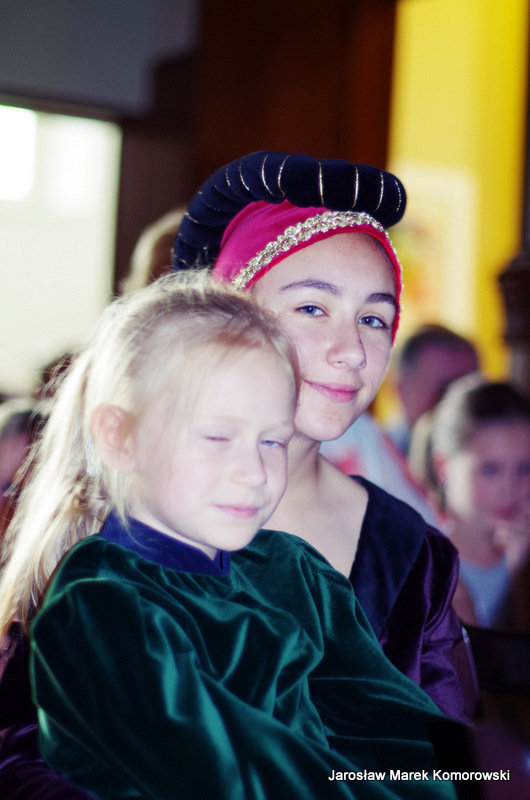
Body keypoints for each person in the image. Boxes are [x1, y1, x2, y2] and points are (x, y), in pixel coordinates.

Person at [0, 274, 456, 799]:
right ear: (120, 437)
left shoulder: (294, 571)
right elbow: (234, 779)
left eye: (273, 441)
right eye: (219, 437)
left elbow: (392, 725)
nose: (255, 472)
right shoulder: (98, 607)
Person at [173, 150, 470, 722]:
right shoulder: (116, 505)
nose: (353, 351)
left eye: (374, 319)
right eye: (312, 308)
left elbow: (443, 753)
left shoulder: (410, 556)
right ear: (226, 318)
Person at [426, 375, 530, 630]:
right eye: (491, 470)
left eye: (524, 469)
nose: (510, 489)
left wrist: (521, 577)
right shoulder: (422, 567)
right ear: (443, 467)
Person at [385, 324, 480, 457]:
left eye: (471, 390)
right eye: (444, 389)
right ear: (401, 390)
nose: (460, 403)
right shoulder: (372, 458)